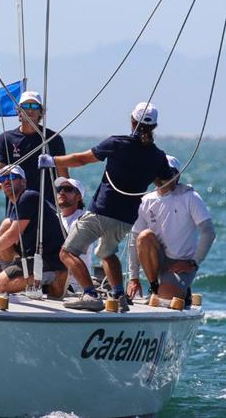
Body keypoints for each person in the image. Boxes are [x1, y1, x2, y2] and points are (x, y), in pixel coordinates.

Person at [38, 102, 172, 312]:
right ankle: (120, 297)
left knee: (67, 252)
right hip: (126, 219)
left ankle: (90, 295)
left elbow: (81, 159)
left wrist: (52, 160)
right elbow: (166, 181)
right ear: (154, 127)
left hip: (102, 211)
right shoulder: (158, 156)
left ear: (132, 121)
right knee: (107, 253)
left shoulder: (117, 143)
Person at [127, 155, 216, 303]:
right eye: (161, 172)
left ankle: (181, 291)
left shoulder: (191, 197)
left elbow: (208, 232)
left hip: (181, 264)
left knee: (164, 300)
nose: (164, 177)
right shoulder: (146, 201)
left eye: (169, 172)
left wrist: (193, 263)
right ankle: (154, 287)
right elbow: (134, 240)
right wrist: (133, 278)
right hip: (158, 259)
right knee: (143, 236)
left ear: (177, 176)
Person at [0, 166, 68, 296]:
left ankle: (55, 277)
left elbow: (12, 236)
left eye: (11, 177)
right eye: (2, 178)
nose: (6, 181)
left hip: (52, 259)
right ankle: (6, 275)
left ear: (23, 182)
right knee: (6, 224)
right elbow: (10, 235)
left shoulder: (28, 197)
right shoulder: (17, 204)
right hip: (34, 256)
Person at [0, 91, 67, 203]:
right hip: (17, 206)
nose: (30, 110)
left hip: (46, 206)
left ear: (41, 112)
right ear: (19, 111)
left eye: (34, 106)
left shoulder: (53, 139)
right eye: (26, 106)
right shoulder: (6, 139)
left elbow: (63, 174)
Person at [54, 176, 94, 290]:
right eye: (59, 189)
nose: (61, 192)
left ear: (78, 197)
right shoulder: (55, 218)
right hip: (53, 279)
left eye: (67, 189)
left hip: (74, 286)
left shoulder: (84, 220)